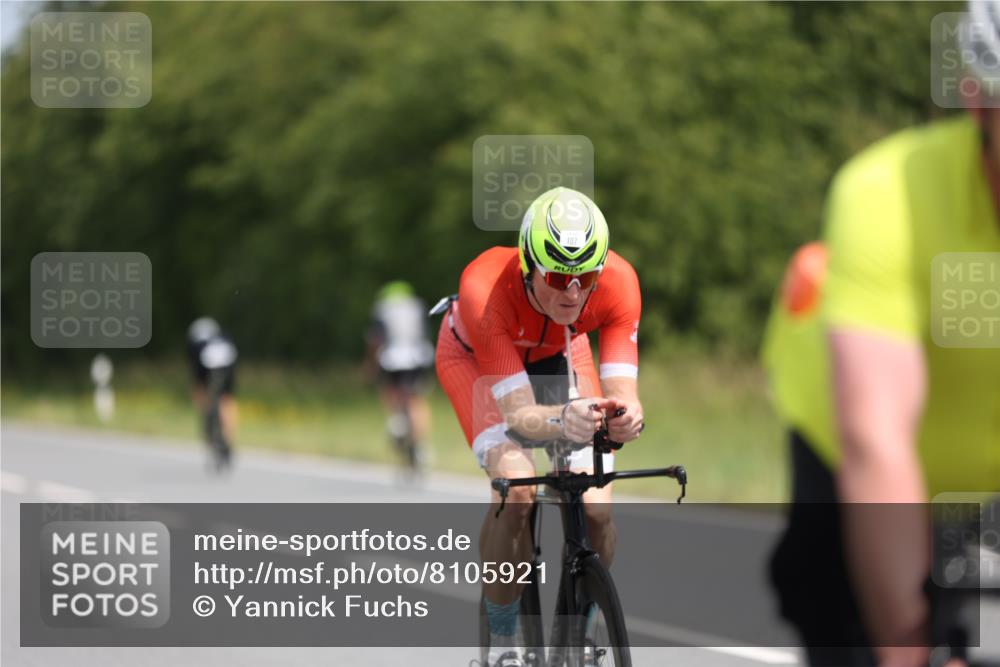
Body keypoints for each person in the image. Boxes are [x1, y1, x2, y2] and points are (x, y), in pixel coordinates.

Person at [762, 4, 1000, 664]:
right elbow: (878, 437)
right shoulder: (886, 193)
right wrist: (906, 643)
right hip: (857, 449)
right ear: (979, 103)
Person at [435, 187, 645, 667]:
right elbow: (521, 415)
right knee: (517, 491)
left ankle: (586, 629)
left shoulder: (618, 283)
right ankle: (503, 643)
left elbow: (623, 391)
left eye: (586, 276)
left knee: (597, 506)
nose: (573, 292)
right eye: (557, 275)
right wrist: (561, 419)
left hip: (559, 353)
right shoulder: (484, 286)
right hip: (479, 361)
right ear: (530, 265)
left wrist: (627, 416)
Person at [367, 281, 435, 474]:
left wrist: (370, 365)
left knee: (390, 391)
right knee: (416, 400)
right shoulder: (417, 306)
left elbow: (375, 339)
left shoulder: (382, 309)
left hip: (392, 358)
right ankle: (421, 446)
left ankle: (396, 421)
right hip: (418, 357)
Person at [187, 317, 239, 471]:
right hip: (228, 365)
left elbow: (196, 375)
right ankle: (228, 438)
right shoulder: (224, 337)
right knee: (227, 399)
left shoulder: (196, 344)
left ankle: (209, 429)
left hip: (205, 364)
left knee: (203, 395)